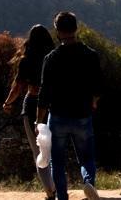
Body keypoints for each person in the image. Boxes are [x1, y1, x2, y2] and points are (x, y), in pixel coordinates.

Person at [36, 12, 102, 200]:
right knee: (86, 157)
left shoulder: (51, 58)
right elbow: (97, 87)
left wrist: (38, 120)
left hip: (57, 116)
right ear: (76, 28)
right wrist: (94, 101)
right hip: (82, 114)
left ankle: (62, 197)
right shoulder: (91, 55)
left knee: (57, 162)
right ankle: (88, 181)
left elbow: (44, 93)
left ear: (57, 31)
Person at [2, 24, 57, 200]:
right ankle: (58, 185)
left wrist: (7, 103)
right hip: (53, 105)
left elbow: (17, 87)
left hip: (32, 103)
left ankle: (50, 191)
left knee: (38, 151)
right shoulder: (54, 57)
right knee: (55, 149)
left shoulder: (27, 59)